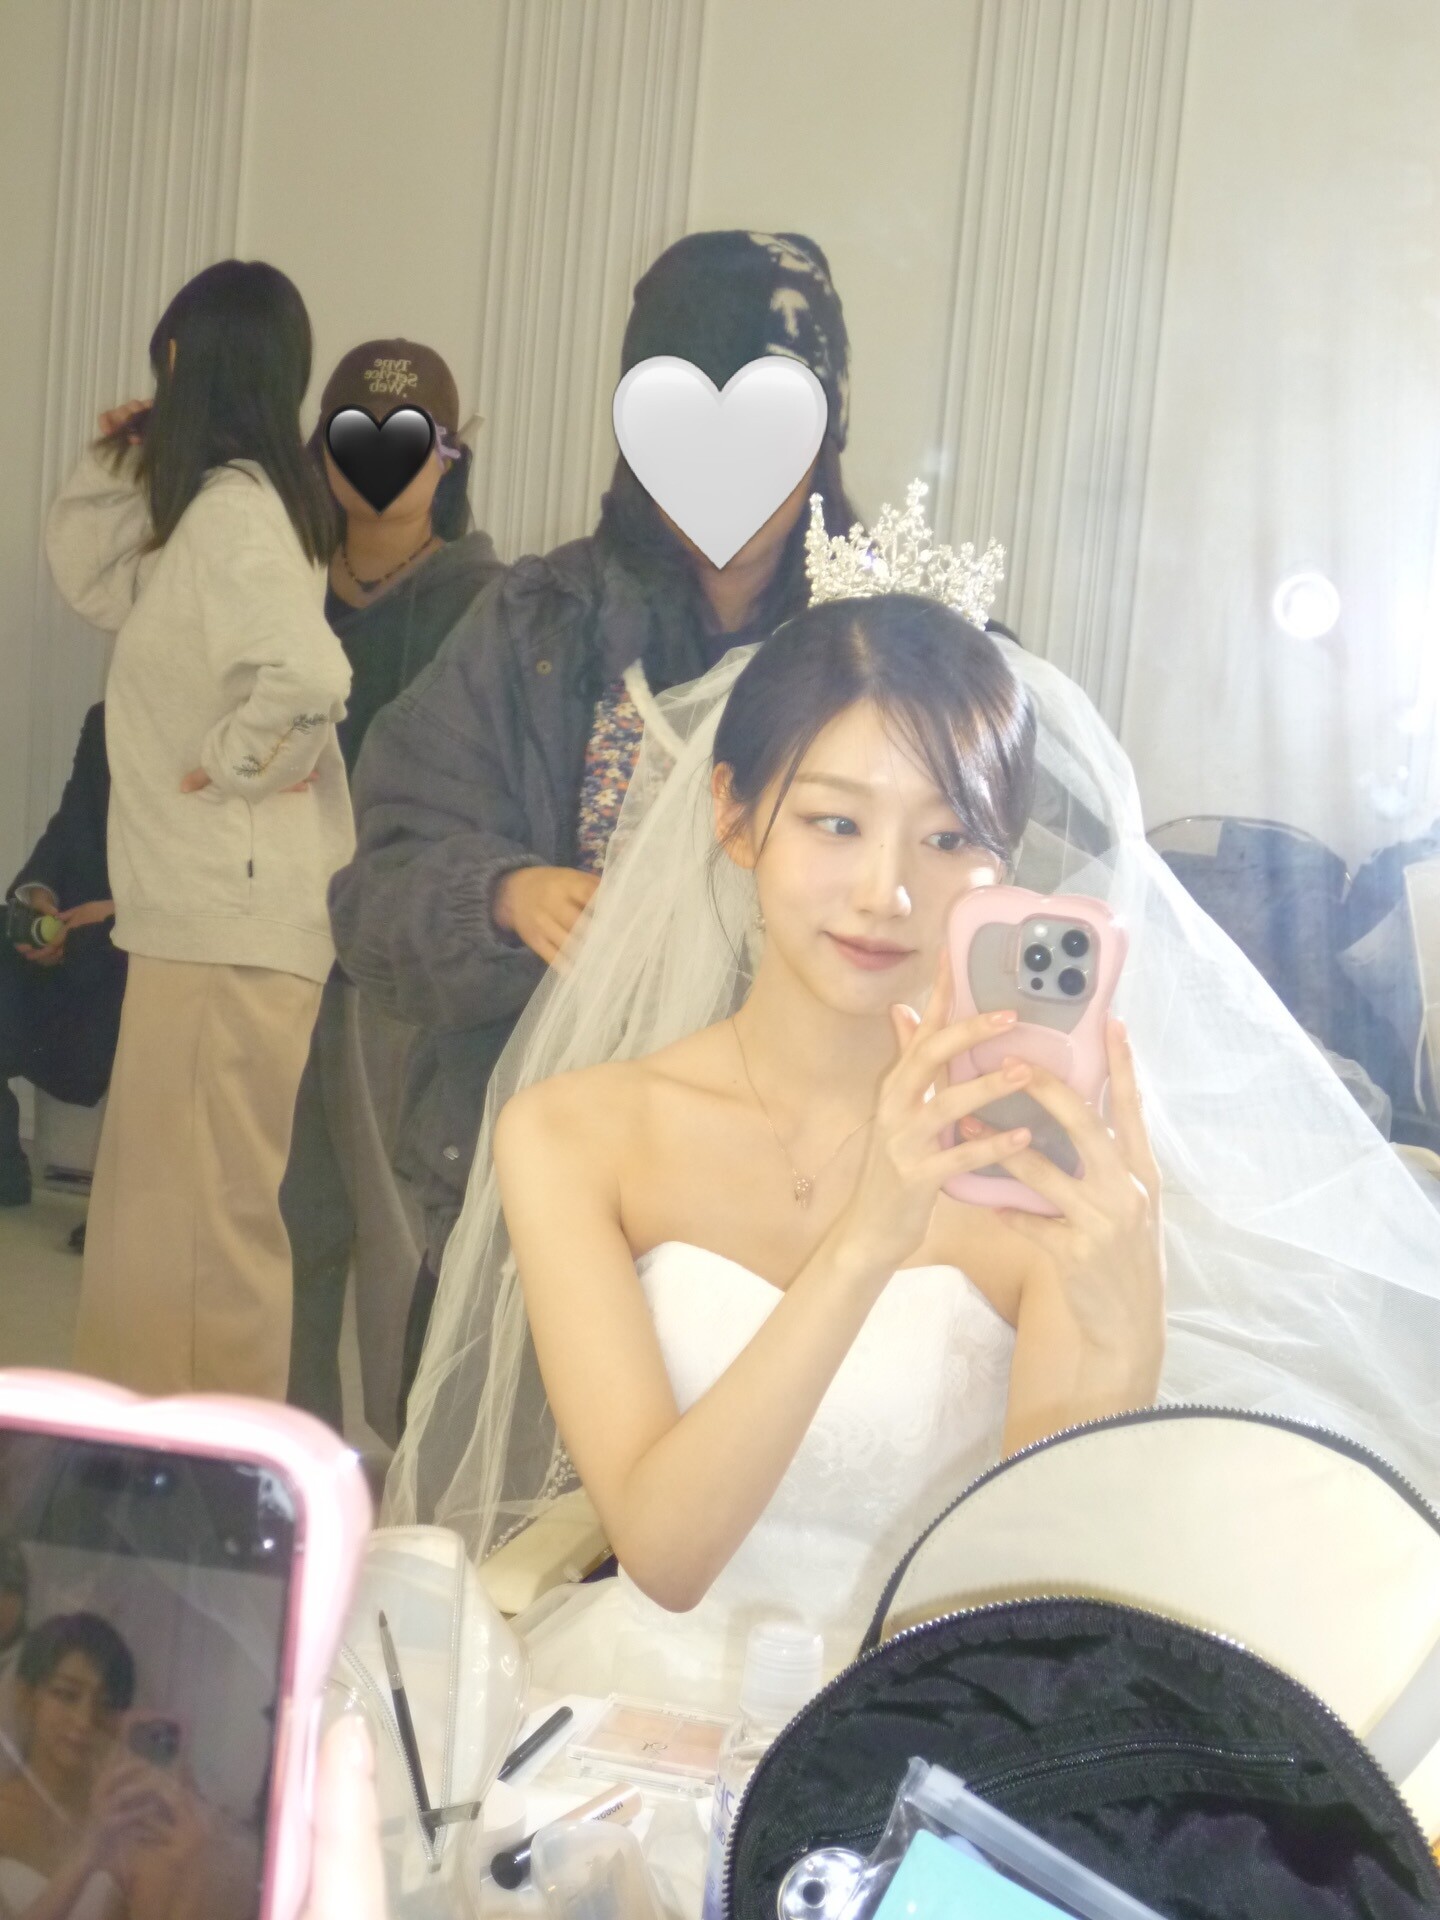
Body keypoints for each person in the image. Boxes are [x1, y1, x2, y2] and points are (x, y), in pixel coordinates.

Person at [388, 486, 1440, 1716]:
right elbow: (665, 1558)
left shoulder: (1040, 1161)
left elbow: (1039, 1609)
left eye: (948, 841)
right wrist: (867, 1239)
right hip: (642, 1723)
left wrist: (1121, 1343)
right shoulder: (574, 1134)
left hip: (931, 1731)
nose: (886, 891)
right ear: (735, 817)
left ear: (1005, 865)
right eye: (835, 822)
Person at [329, 231, 860, 1433]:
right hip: (546, 1199)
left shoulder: (890, 644)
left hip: (803, 1209)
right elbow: (374, 891)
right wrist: (500, 896)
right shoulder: (533, 625)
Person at [44, 259, 353, 1402]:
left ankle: (204, 1483)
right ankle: (142, 1467)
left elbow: (311, 676)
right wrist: (117, 459)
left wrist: (229, 766)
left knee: (200, 1241)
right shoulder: (236, 513)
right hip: (209, 920)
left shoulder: (232, 518)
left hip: (229, 923)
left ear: (182, 360)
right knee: (162, 1226)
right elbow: (94, 581)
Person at [280, 339, 504, 1440]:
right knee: (280, 1221)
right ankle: (282, 1457)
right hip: (272, 939)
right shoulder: (271, 584)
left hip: (400, 965)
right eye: (355, 435)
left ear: (449, 455)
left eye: (410, 439)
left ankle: (402, 1466)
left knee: (398, 1222)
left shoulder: (492, 607)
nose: (381, 461)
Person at [1, 707, 124, 1248]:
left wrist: (120, 911)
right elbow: (72, 821)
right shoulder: (106, 720)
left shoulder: (223, 723)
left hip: (160, 929)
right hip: (84, 926)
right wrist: (37, 893)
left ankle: (126, 1207)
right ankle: (5, 1164)